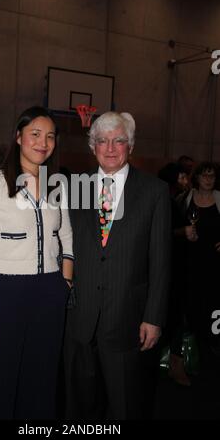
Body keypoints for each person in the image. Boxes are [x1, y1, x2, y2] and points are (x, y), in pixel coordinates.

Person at [0, 106, 73, 420]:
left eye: (50, 136)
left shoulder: (57, 186)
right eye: (35, 134)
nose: (43, 142)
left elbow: (66, 235)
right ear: (18, 137)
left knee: (41, 381)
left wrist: (64, 282)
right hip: (4, 292)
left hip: (49, 293)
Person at [64, 111, 171, 420]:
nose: (110, 148)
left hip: (128, 321)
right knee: (79, 408)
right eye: (102, 141)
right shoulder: (74, 189)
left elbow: (161, 261)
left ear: (131, 145)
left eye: (119, 141)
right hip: (79, 321)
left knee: (126, 406)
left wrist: (154, 316)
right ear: (92, 146)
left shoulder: (154, 192)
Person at [181, 161, 220, 369]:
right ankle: (193, 343)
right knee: (192, 301)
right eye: (205, 175)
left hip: (215, 261)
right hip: (192, 258)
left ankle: (211, 344)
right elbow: (177, 226)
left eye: (212, 176)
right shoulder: (186, 198)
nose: (208, 179)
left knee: (213, 302)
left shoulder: (219, 198)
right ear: (197, 177)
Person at [158, 162, 191, 386]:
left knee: (177, 317)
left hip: (177, 266)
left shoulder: (179, 199)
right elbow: (161, 232)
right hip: (167, 267)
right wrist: (183, 231)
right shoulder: (164, 200)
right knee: (170, 316)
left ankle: (174, 365)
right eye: (182, 176)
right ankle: (172, 366)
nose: (185, 180)